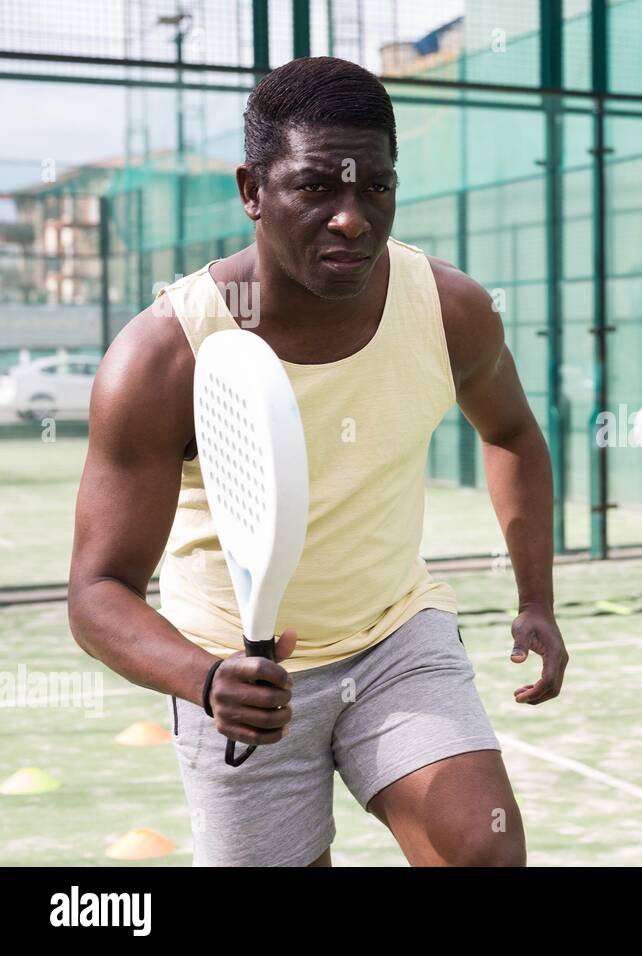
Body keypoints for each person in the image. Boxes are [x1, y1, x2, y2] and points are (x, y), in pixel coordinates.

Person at [67, 57, 568, 866]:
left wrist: (536, 599)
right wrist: (205, 678)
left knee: (484, 849)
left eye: (376, 187)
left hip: (396, 635)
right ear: (251, 189)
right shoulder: (165, 355)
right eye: (315, 188)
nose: (351, 219)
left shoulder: (449, 310)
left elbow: (512, 433)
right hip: (238, 676)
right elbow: (96, 593)